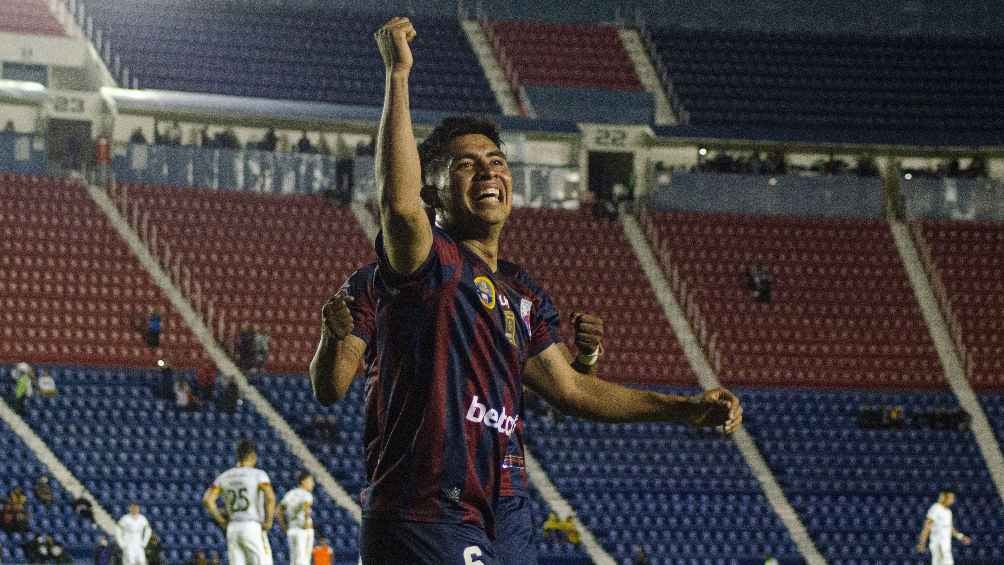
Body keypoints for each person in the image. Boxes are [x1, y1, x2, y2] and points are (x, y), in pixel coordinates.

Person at [309, 17, 742, 564]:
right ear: (433, 189)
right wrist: (399, 75)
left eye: (496, 162)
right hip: (426, 509)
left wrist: (684, 410)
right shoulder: (426, 264)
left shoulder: (522, 291)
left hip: (503, 508)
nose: (487, 172)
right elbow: (398, 208)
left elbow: (576, 390)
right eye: (464, 166)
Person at [312, 262, 605, 565]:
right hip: (421, 487)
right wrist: (331, 339)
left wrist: (587, 355)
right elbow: (329, 388)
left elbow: (570, 390)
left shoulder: (515, 285)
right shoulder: (378, 280)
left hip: (502, 488)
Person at [202, 439, 277, 565]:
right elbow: (270, 498)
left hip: (233, 528)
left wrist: (221, 521)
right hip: (252, 525)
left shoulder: (224, 476)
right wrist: (268, 521)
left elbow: (207, 500)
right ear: (253, 456)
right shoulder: (258, 475)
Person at [917, 489, 972, 564]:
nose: (952, 500)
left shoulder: (948, 512)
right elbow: (927, 526)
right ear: (944, 497)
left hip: (946, 545)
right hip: (938, 544)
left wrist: (961, 537)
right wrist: (922, 542)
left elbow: (950, 528)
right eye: (950, 498)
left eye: (953, 498)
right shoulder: (935, 508)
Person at [278, 472, 315, 565]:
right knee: (304, 561)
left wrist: (284, 526)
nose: (312, 484)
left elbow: (278, 511)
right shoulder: (306, 494)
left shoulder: (290, 494)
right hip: (304, 530)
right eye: (310, 481)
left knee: (294, 560)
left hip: (292, 529)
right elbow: (306, 507)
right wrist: (306, 522)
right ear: (303, 481)